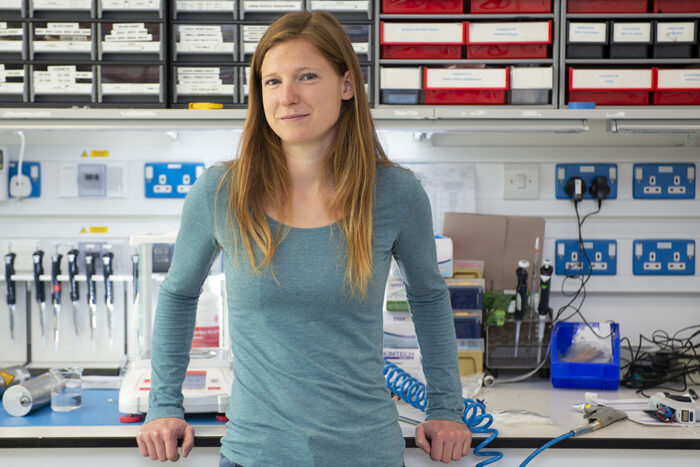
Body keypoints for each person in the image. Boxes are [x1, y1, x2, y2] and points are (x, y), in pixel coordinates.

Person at [136, 10, 471, 467]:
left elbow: (429, 299)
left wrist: (447, 409)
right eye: (271, 82)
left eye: (307, 76)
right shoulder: (221, 191)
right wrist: (164, 406)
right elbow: (177, 295)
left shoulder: (395, 193)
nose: (287, 96)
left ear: (347, 84)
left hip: (366, 454)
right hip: (255, 455)